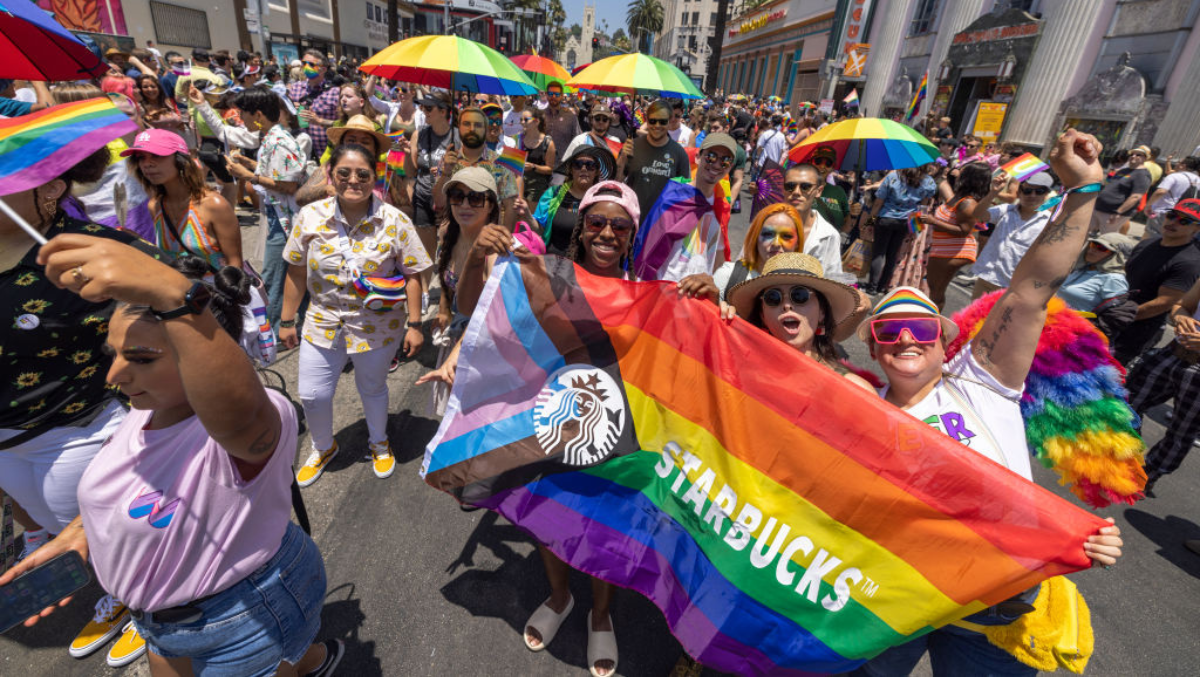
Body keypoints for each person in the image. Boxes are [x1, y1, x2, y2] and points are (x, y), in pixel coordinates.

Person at [851, 129, 1124, 677]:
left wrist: (1083, 190)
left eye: (920, 327)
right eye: (891, 329)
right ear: (875, 345)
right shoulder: (861, 405)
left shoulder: (982, 378)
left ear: (941, 338)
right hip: (898, 597)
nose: (907, 338)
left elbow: (1029, 289)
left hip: (998, 608)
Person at [7, 238, 341, 677]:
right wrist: (80, 534)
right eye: (114, 354)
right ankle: (308, 659)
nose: (114, 375)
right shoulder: (145, 410)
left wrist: (175, 296)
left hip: (243, 614)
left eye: (142, 358)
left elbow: (241, 416)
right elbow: (136, 484)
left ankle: (304, 659)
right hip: (161, 624)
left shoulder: (253, 419)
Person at [453, 181, 642, 677]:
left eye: (619, 225)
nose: (606, 233)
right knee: (549, 517)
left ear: (632, 234)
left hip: (615, 428)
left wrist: (711, 302)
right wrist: (477, 258)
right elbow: (474, 309)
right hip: (551, 418)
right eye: (596, 222)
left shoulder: (647, 294)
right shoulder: (548, 275)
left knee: (609, 528)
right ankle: (560, 598)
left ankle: (601, 612)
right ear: (581, 227)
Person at [281, 143, 430, 486]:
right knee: (313, 394)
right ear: (330, 176)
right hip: (322, 321)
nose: (353, 180)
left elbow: (413, 275)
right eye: (344, 173)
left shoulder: (395, 220)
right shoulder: (310, 216)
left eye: (363, 174)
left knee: (372, 387)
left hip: (378, 326)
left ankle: (379, 442)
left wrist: (416, 324)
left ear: (374, 177)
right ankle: (324, 446)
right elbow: (296, 271)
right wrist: (287, 319)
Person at [222, 87, 306, 337]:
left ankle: (271, 332)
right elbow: (279, 173)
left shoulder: (279, 140)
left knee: (273, 277)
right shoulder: (272, 137)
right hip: (279, 215)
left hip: (285, 219)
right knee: (291, 273)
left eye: (243, 114)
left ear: (258, 114)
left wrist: (250, 175)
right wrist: (252, 165)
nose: (240, 120)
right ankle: (293, 326)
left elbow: (289, 185)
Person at [726, 252, 873, 389]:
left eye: (800, 295)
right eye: (773, 298)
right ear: (762, 315)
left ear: (822, 311)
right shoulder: (736, 364)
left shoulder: (853, 389)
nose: (787, 305)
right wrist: (719, 321)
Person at [124, 130, 243, 274]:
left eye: (157, 155)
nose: (147, 164)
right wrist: (137, 241)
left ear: (180, 160)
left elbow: (235, 264)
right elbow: (168, 256)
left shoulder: (214, 204)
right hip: (177, 293)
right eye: (141, 158)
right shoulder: (155, 205)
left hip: (218, 293)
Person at [1126, 275, 1200, 497]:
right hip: (1173, 353)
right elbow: (1181, 306)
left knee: (1181, 432)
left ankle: (1146, 476)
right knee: (1127, 402)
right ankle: (1125, 458)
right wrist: (1182, 318)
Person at [1111, 198, 1200, 363]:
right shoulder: (1148, 243)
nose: (1173, 222)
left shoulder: (1191, 261)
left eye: (1184, 221)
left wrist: (1124, 316)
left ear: (1196, 229)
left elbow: (1165, 302)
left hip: (1137, 330)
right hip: (1113, 317)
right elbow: (1126, 275)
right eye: (1172, 215)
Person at [683, 202, 805, 306]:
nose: (776, 243)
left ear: (797, 242)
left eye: (786, 236)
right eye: (768, 234)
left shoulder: (805, 285)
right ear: (756, 237)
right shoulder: (728, 276)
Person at [433, 107, 524, 229]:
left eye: (478, 125)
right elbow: (439, 203)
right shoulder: (448, 161)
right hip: (452, 239)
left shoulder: (500, 164)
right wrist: (446, 173)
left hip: (488, 240)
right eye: (466, 124)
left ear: (485, 129)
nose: (472, 129)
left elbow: (511, 206)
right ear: (458, 127)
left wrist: (505, 239)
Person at [968, 171, 1055, 298]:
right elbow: (978, 215)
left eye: (1039, 191)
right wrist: (993, 193)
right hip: (986, 278)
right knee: (974, 317)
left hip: (1013, 288)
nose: (1032, 195)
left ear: (1047, 194)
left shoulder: (1049, 223)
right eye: (1027, 191)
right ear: (1019, 193)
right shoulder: (1006, 209)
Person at [920, 161, 990, 309]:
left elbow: (964, 230)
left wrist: (934, 221)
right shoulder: (958, 196)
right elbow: (944, 185)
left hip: (954, 252)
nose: (958, 172)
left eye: (962, 171)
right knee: (933, 288)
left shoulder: (968, 203)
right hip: (942, 248)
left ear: (969, 177)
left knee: (937, 292)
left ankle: (935, 325)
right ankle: (931, 321)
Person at [865, 165, 938, 294]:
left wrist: (870, 222)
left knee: (879, 253)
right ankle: (882, 286)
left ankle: (872, 287)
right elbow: (923, 205)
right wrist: (916, 227)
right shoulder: (928, 182)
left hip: (885, 218)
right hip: (906, 221)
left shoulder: (893, 177)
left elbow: (878, 203)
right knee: (893, 254)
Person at [533, 145, 615, 256]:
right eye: (578, 164)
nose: (584, 169)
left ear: (596, 171)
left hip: (583, 267)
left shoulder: (602, 201)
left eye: (590, 165)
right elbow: (539, 229)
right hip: (551, 261)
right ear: (571, 170)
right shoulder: (553, 194)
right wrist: (526, 214)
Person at [618, 98, 690, 222]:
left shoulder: (679, 153)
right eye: (653, 121)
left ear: (669, 121)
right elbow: (616, 183)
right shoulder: (631, 147)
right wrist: (622, 159)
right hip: (631, 221)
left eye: (662, 122)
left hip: (661, 226)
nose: (657, 126)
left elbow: (684, 194)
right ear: (647, 120)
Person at [1058, 232, 1136, 341]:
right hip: (1050, 322)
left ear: (1117, 255)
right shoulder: (1082, 267)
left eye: (1101, 248)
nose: (1092, 250)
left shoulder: (1114, 279)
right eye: (1093, 244)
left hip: (1070, 335)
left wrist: (1087, 335)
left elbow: (1115, 316)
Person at [782, 163, 847, 278]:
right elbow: (746, 266)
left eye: (805, 187)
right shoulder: (765, 224)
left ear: (818, 191)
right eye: (790, 186)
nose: (796, 192)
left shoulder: (829, 236)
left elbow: (833, 280)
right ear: (783, 189)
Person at [287, 50, 341, 159]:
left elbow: (343, 124)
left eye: (311, 64)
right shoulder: (296, 88)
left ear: (323, 69)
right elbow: (287, 120)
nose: (306, 67)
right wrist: (292, 110)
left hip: (327, 153)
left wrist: (319, 121)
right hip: (301, 151)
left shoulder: (335, 92)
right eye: (304, 63)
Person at [1092, 145, 1152, 234]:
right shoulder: (1122, 171)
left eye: (1138, 155)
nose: (1133, 156)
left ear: (1145, 159)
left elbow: (1136, 196)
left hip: (1113, 213)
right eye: (1132, 154)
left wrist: (1118, 212)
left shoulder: (1143, 175)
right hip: (1098, 208)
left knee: (1105, 240)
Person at [1145, 156, 1200, 238]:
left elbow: (1161, 191)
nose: (1177, 164)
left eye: (1179, 162)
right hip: (1182, 215)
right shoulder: (1198, 180)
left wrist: (1148, 205)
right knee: (1170, 238)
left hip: (1163, 211)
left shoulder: (1175, 176)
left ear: (1183, 166)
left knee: (1150, 235)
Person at [518, 107, 557, 204]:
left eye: (526, 119)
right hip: (519, 183)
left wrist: (533, 167)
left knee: (531, 217)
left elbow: (550, 169)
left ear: (536, 122)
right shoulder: (519, 139)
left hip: (537, 187)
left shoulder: (547, 142)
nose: (522, 122)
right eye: (521, 119)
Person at [542, 82, 580, 162]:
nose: (553, 96)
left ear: (562, 95)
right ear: (546, 94)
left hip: (563, 165)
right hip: (542, 163)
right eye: (550, 93)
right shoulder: (540, 115)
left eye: (557, 94)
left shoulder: (570, 116)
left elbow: (577, 140)